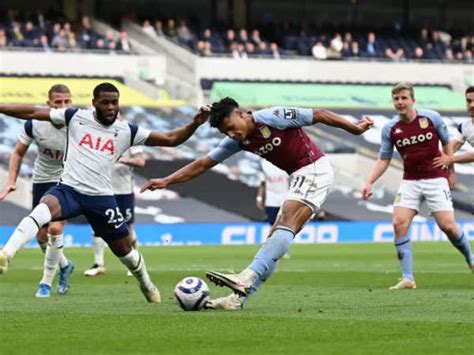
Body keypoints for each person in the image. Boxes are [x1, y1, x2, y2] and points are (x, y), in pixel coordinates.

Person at [140, 97, 373, 309]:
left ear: (241, 113)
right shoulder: (238, 141)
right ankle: (237, 300)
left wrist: (354, 129)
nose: (231, 134)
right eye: (225, 132)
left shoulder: (273, 117)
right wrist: (167, 180)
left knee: (285, 221)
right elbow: (202, 164)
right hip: (300, 174)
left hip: (313, 168)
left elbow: (320, 113)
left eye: (231, 127)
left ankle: (246, 277)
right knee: (275, 240)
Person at [0, 82, 209, 302]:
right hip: (69, 190)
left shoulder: (126, 131)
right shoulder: (75, 117)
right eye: (105, 102)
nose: (111, 107)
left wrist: (194, 123)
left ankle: (146, 284)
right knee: (43, 209)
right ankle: (6, 254)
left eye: (114, 102)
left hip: (101, 200)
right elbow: (32, 112)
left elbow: (169, 139)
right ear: (94, 103)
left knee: (125, 253)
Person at [362, 83, 473, 290]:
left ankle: (470, 258)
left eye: (404, 98)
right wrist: (369, 181)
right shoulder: (390, 128)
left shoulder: (432, 118)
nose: (400, 102)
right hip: (410, 181)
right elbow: (384, 159)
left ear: (412, 99)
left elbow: (447, 143)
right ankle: (408, 277)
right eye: (396, 99)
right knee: (399, 223)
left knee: (448, 226)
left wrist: (450, 169)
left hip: (435, 179)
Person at [0, 84, 75, 298]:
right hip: (42, 181)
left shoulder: (78, 123)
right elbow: (17, 153)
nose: (63, 106)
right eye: (58, 102)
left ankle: (45, 283)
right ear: (48, 104)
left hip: (68, 181)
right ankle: (65, 265)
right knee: (42, 236)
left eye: (67, 101)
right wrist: (11, 181)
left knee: (55, 229)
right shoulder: (34, 124)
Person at [84, 116, 147, 277]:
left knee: (127, 229)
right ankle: (99, 264)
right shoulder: (97, 135)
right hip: (101, 188)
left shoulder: (130, 134)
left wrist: (122, 160)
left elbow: (141, 161)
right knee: (98, 226)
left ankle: (134, 262)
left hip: (123, 189)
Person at [433, 86, 474, 167]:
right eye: (469, 101)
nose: (472, 105)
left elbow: (449, 158)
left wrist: (451, 159)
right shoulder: (464, 127)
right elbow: (450, 150)